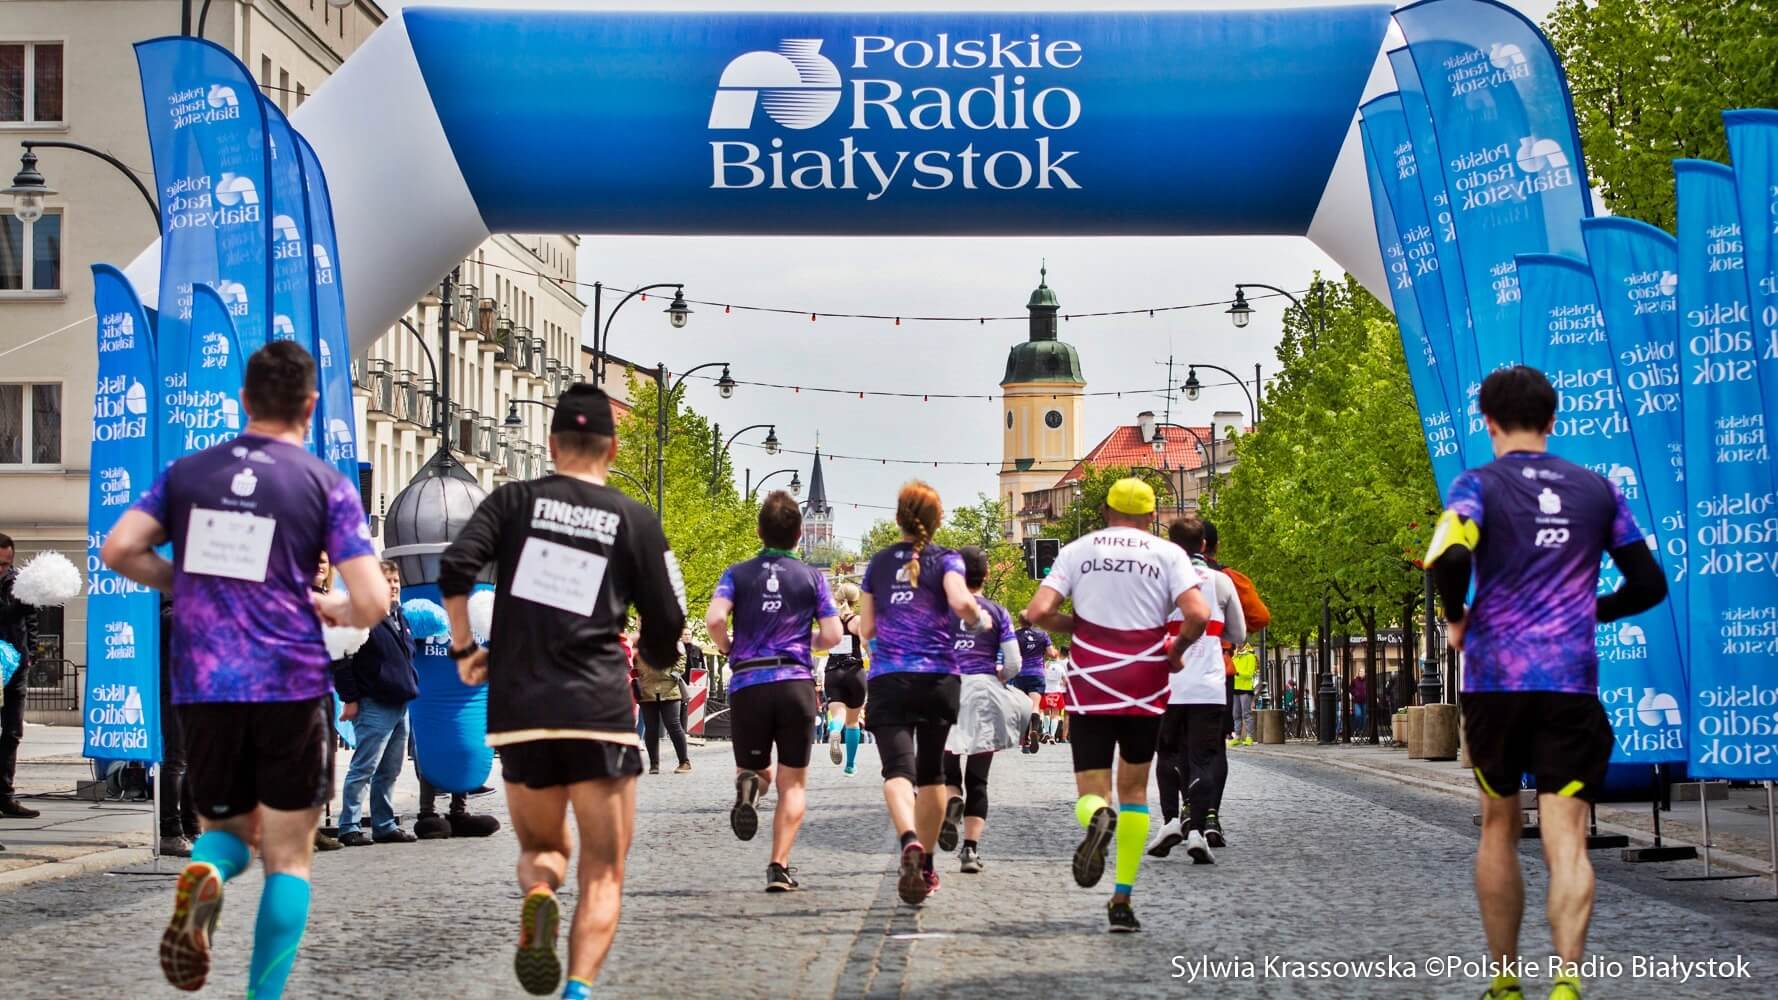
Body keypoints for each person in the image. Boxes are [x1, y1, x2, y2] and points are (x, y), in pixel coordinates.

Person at [101, 341, 391, 998]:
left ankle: (204, 873)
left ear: (243, 401)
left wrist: (186, 581)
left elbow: (120, 549)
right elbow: (374, 600)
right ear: (309, 406)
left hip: (206, 682)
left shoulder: (187, 473)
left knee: (225, 833)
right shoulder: (325, 483)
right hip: (291, 681)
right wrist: (331, 606)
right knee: (288, 858)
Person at [1427, 365, 1667, 1000]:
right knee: (1567, 835)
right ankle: (1566, 981)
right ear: (1552, 420)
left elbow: (1449, 555)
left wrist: (1457, 618)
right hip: (1569, 685)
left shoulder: (1476, 486)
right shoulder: (1597, 489)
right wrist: (1591, 610)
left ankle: (1506, 979)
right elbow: (1649, 583)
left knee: (1498, 825)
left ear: (1488, 422)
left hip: (1495, 683)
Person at [438, 383, 685, 998]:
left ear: (551, 445)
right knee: (603, 870)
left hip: (521, 710)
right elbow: (669, 619)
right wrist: (652, 657)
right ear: (613, 447)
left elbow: (455, 566)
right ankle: (576, 988)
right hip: (598, 711)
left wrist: (466, 649)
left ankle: (541, 894)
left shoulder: (513, 501)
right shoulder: (634, 519)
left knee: (543, 852)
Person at [1023, 478, 1208, 933]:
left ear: (1106, 511)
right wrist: (1176, 650)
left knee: (1092, 790)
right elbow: (1199, 614)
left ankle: (1096, 817)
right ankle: (1122, 900)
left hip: (1092, 681)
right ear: (1152, 517)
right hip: (1145, 681)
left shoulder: (1078, 551)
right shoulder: (1169, 555)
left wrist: (1078, 625)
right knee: (1135, 792)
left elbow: (1037, 612)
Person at [705, 490, 842, 891]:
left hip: (749, 683)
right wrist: (804, 643)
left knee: (756, 770)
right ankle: (778, 866)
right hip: (795, 683)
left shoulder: (736, 574)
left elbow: (714, 619)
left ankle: (750, 788)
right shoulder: (813, 578)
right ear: (799, 535)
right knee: (792, 783)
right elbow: (833, 634)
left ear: (758, 531)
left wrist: (729, 647)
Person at [858, 481, 986, 906]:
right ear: (938, 520)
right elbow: (961, 602)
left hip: (889, 678)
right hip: (938, 680)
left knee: (897, 772)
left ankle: (908, 839)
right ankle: (927, 863)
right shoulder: (947, 559)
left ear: (898, 518)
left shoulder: (878, 563)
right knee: (933, 773)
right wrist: (976, 616)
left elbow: (867, 628)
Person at [1149, 516, 1244, 865]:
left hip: (1167, 683)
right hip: (1208, 685)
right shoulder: (1221, 581)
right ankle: (1197, 833)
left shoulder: (1160, 580)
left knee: (1167, 754)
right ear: (1203, 544)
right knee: (1203, 759)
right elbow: (1239, 633)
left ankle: (1170, 821)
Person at [938, 546, 1024, 874]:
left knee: (947, 769)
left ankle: (951, 800)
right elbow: (1014, 663)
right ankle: (970, 851)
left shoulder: (941, 611)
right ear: (986, 574)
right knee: (978, 779)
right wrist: (999, 676)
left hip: (946, 689)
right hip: (983, 692)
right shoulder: (998, 612)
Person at [331, 559, 419, 847]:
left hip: (400, 703)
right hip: (375, 703)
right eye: (387, 581)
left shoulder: (398, 615)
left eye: (396, 581)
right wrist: (350, 698)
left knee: (390, 770)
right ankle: (349, 826)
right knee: (364, 768)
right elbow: (342, 660)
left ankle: (384, 825)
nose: (393, 586)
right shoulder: (362, 615)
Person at [0, 532, 40, 821]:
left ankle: (4, 795)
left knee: (13, 731)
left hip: (17, 664)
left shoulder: (18, 582)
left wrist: (31, 652)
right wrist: (18, 609)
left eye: (5, 564)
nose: (1, 569)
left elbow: (32, 620)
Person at [310, 553, 345, 852]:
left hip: (324, 688)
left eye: (323, 560)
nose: (319, 564)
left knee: (322, 761)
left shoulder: (330, 598)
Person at [824, 581, 869, 774]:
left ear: (837, 598)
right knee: (853, 721)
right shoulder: (857, 621)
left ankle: (835, 729)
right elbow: (866, 643)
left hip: (833, 672)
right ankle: (850, 766)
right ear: (856, 600)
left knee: (839, 715)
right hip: (854, 672)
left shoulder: (830, 621)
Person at [637, 642, 691, 775]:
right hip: (647, 687)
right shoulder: (640, 640)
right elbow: (633, 657)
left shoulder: (671, 637)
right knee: (651, 728)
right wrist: (638, 671)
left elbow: (681, 655)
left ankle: (684, 762)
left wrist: (675, 672)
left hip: (669, 687)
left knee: (673, 725)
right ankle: (654, 764)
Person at [1010, 612, 1052, 753]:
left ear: (1020, 621)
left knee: (1024, 707)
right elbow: (1051, 653)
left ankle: (1026, 743)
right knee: (1035, 706)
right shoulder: (1043, 634)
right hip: (1037, 674)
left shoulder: (1015, 635)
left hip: (1021, 674)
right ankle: (1035, 729)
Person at [1231, 644, 1259, 746]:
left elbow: (1250, 673)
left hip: (1246, 689)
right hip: (1235, 688)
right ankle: (1237, 737)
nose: (1237, 645)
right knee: (1236, 714)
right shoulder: (1234, 656)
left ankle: (1249, 737)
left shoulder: (1250, 656)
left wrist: (1237, 673)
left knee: (1246, 714)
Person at [1041, 647, 1068, 743]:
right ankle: (1052, 735)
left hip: (1046, 691)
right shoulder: (1060, 667)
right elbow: (1065, 681)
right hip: (1057, 691)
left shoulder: (1045, 665)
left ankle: (1046, 732)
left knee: (1046, 713)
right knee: (1055, 714)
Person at [1349, 669, 1368, 743]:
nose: (1361, 673)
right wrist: (1355, 693)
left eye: (1363, 672)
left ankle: (1361, 731)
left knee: (1364, 717)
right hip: (1357, 701)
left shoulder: (1367, 681)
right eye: (1360, 672)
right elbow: (1350, 688)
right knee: (1358, 715)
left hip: (1365, 701)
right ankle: (1357, 729)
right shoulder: (1355, 681)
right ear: (1358, 673)